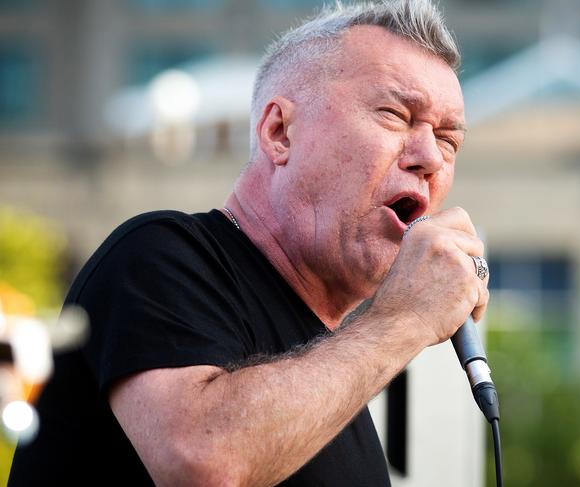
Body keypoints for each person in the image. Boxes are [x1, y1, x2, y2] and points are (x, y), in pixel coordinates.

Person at [9, 1, 489, 485]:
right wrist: (404, 319)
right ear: (279, 132)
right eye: (394, 114)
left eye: (449, 140)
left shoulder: (338, 374)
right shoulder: (156, 255)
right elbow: (202, 463)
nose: (429, 156)